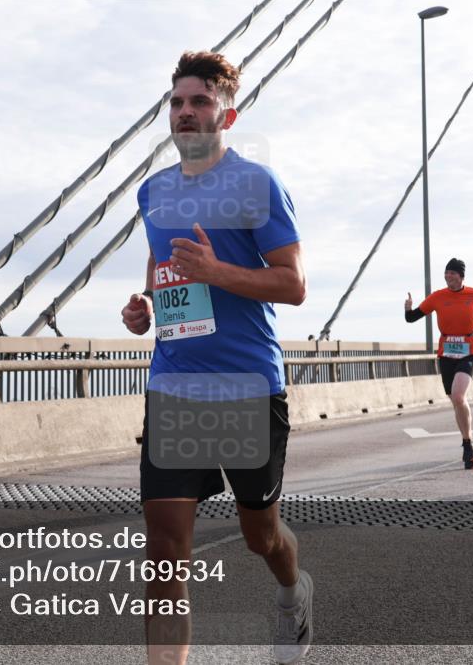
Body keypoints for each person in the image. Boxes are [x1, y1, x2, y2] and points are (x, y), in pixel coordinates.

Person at [120, 50, 310, 665]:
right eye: (177, 102)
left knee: (262, 537)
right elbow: (161, 266)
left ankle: (292, 589)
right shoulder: (152, 192)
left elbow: (293, 284)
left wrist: (217, 271)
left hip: (247, 386)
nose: (185, 112)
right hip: (176, 386)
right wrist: (147, 308)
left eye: (199, 101)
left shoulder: (257, 184)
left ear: (227, 115)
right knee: (165, 550)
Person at [404, 258, 473, 469]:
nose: (448, 277)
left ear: (461, 276)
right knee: (455, 401)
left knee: (458, 395)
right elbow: (412, 318)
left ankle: (467, 445)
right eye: (446, 273)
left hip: (469, 349)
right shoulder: (438, 296)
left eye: (453, 274)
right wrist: (407, 309)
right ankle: (472, 442)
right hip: (446, 351)